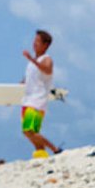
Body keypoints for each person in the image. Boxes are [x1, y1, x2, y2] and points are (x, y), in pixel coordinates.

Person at [20, 29, 62, 157]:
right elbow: (29, 79)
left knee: (28, 131)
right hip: (27, 100)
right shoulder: (33, 62)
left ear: (45, 45)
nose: (34, 43)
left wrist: (31, 59)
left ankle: (55, 149)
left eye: (37, 41)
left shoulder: (46, 59)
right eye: (34, 41)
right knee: (34, 135)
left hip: (37, 101)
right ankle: (42, 156)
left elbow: (48, 70)